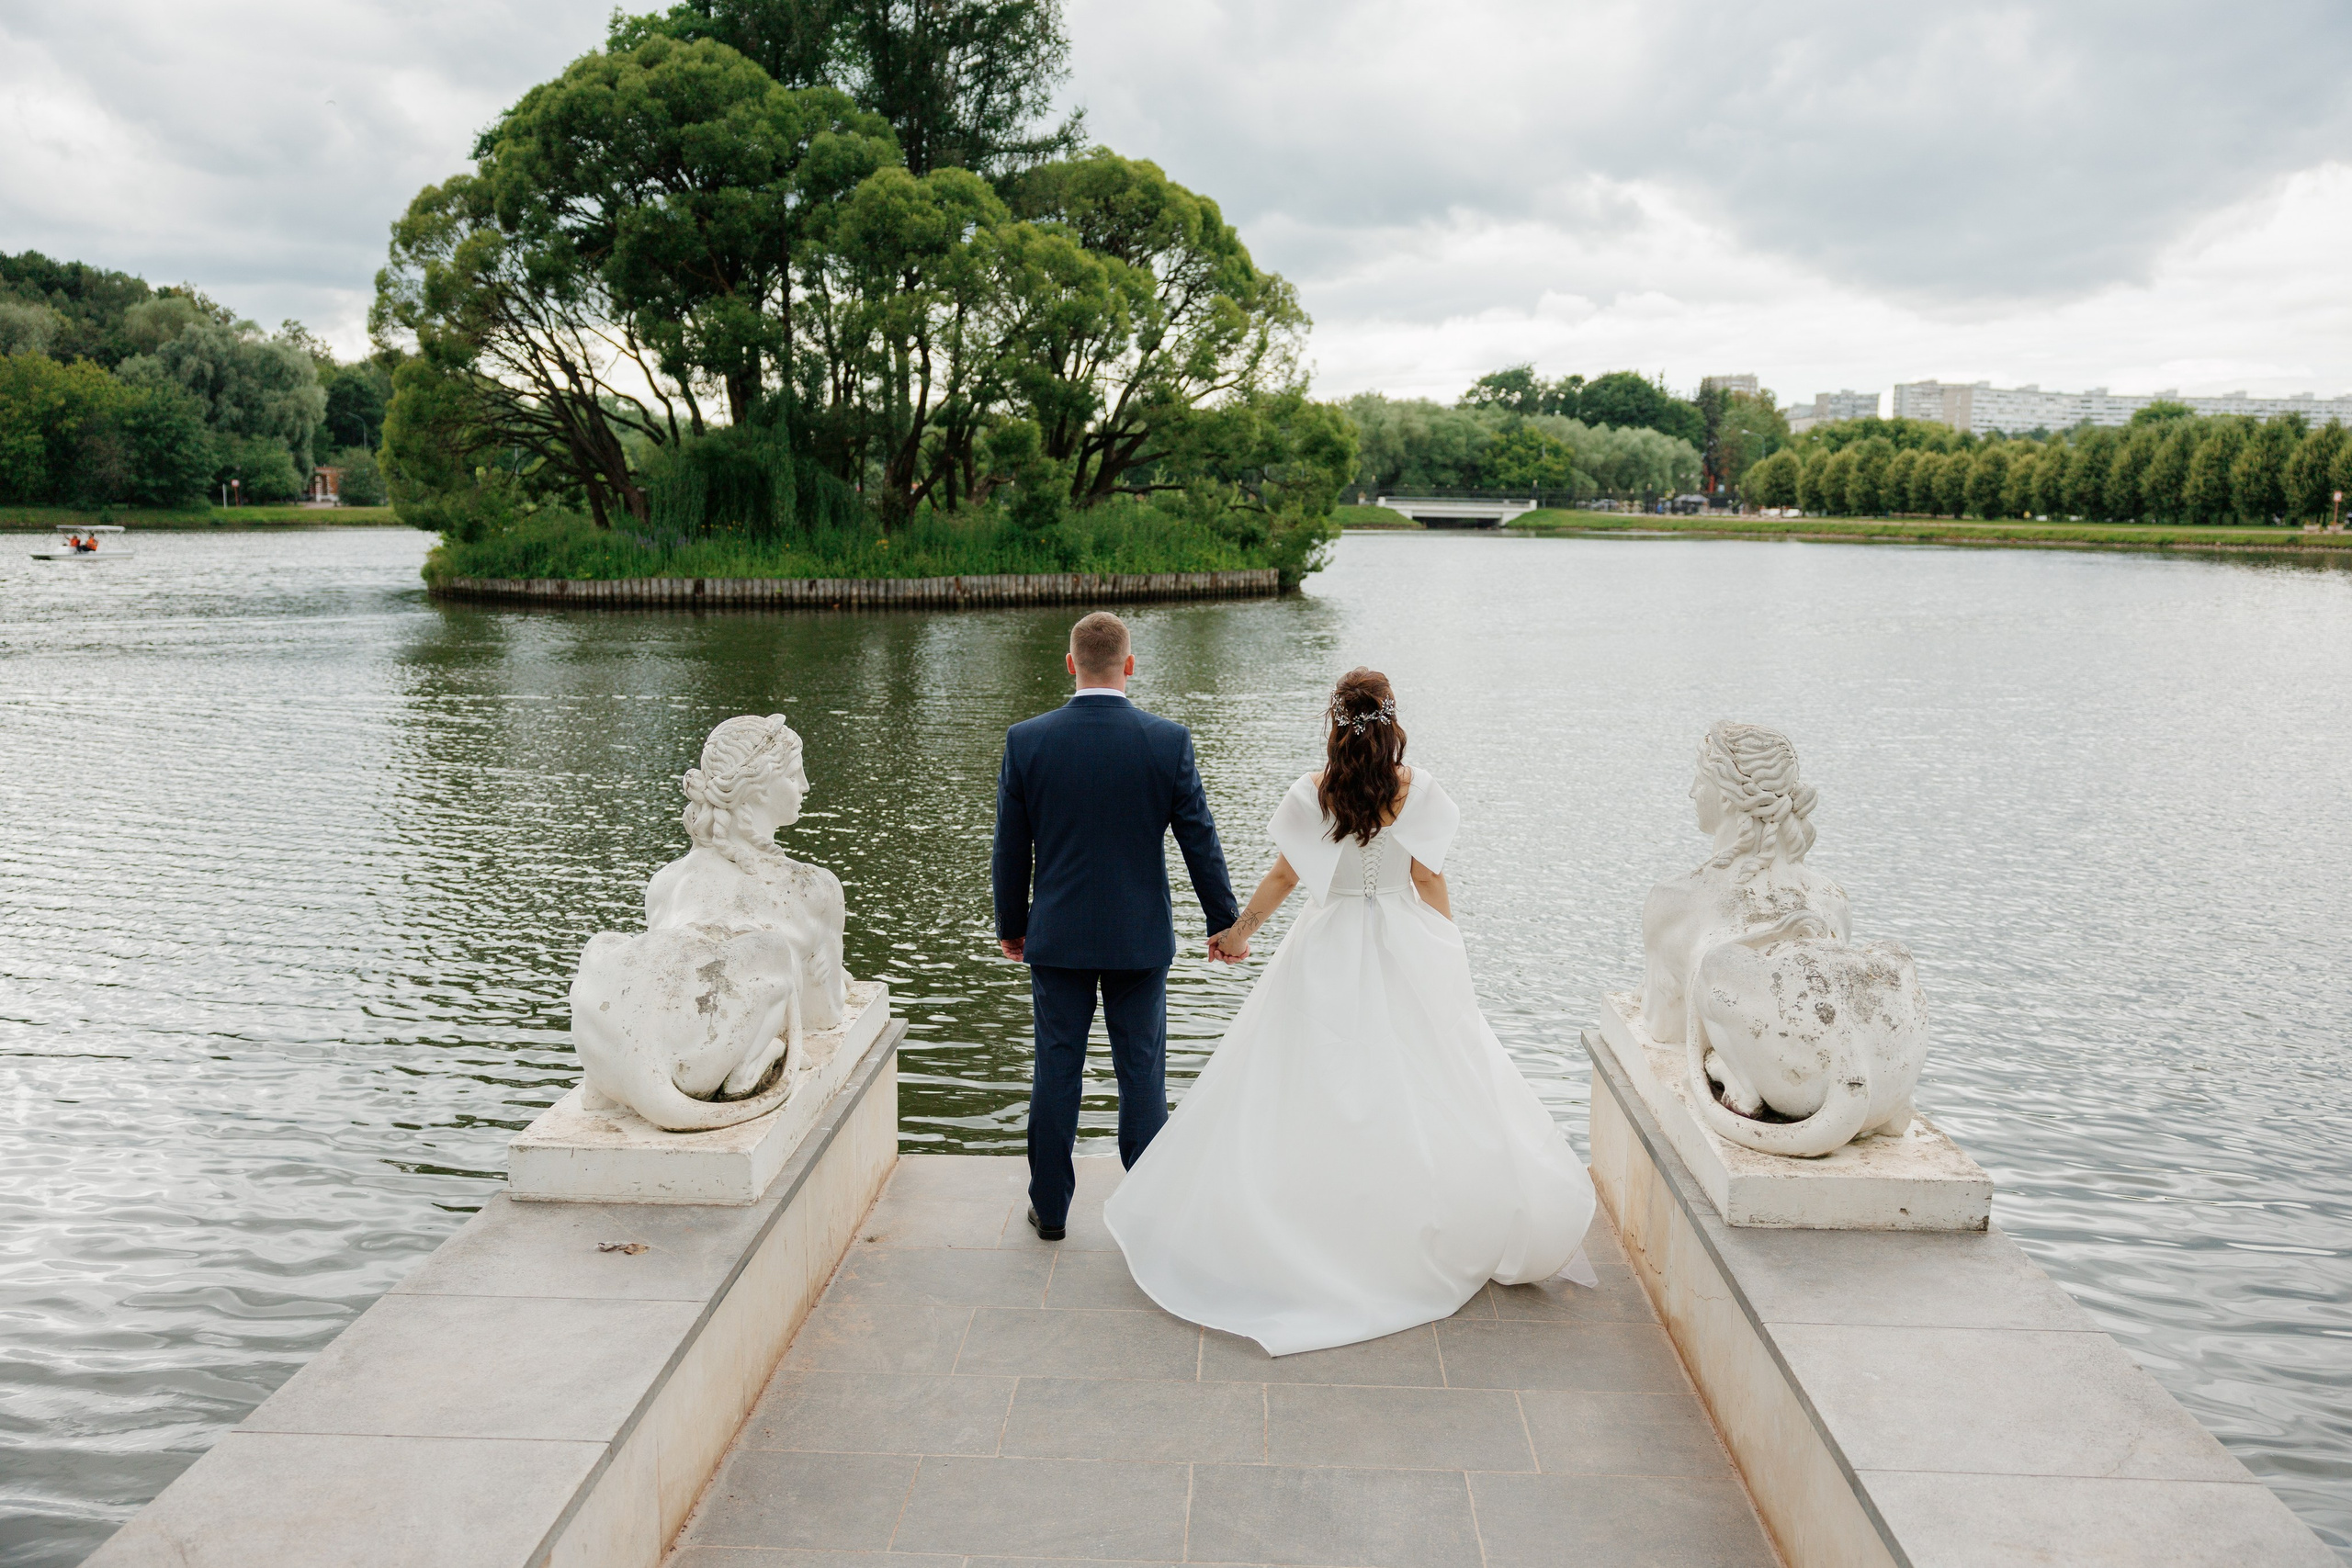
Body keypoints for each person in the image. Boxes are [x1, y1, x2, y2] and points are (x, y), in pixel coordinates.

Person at [1102, 667, 1598, 1355]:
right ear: (1391, 717)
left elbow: (1285, 875)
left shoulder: (1315, 792)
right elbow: (1427, 876)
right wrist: (1447, 946)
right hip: (1403, 939)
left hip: (1328, 940)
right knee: (1426, 1077)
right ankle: (1409, 1220)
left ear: (1334, 718)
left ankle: (1317, 1221)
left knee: (1311, 1081)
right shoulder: (1416, 789)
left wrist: (1239, 932)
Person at [991, 612, 1240, 1242]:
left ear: (1070, 663)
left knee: (1056, 1071)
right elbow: (1199, 840)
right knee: (1142, 1073)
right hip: (1138, 939)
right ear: (1129, 665)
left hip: (1058, 936)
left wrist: (1012, 925)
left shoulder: (1028, 740)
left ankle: (1050, 1209)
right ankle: (1150, 1210)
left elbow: (1009, 849)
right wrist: (1222, 921)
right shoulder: (1167, 741)